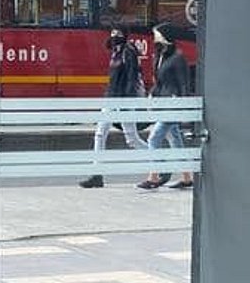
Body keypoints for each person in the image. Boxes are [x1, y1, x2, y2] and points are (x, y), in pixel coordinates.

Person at [78, 29, 148, 187]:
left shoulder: (128, 51)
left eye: (118, 34)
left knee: (132, 140)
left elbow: (132, 77)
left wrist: (127, 101)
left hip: (123, 100)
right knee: (100, 134)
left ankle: (160, 161)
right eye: (112, 34)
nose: (114, 37)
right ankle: (97, 175)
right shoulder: (116, 51)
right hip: (111, 98)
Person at [139, 22, 196, 190]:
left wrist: (183, 107)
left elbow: (184, 84)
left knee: (153, 138)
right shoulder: (160, 56)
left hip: (172, 106)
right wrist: (151, 96)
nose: (154, 37)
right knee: (176, 140)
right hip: (162, 104)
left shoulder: (178, 58)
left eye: (157, 34)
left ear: (165, 36)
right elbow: (160, 82)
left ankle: (154, 176)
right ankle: (187, 177)